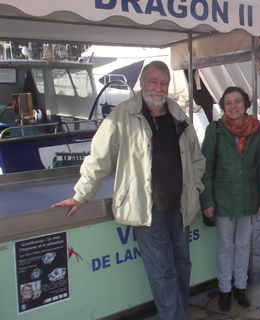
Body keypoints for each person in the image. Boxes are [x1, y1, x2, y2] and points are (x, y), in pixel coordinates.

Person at [52, 61, 205, 320]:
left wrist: (195, 187)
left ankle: (178, 312)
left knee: (182, 266)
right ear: (142, 83)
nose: (158, 88)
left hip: (180, 209)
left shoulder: (178, 113)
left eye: (164, 83)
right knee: (162, 272)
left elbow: (196, 159)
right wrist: (81, 195)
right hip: (147, 212)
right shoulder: (122, 115)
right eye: (153, 81)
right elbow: (99, 158)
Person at [200, 87, 260, 312]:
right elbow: (206, 169)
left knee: (243, 245)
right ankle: (224, 288)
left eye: (237, 101)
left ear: (246, 104)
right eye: (228, 102)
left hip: (249, 199)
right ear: (223, 105)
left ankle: (240, 287)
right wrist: (207, 201)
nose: (233, 106)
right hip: (222, 200)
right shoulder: (215, 130)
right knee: (224, 246)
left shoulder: (256, 130)